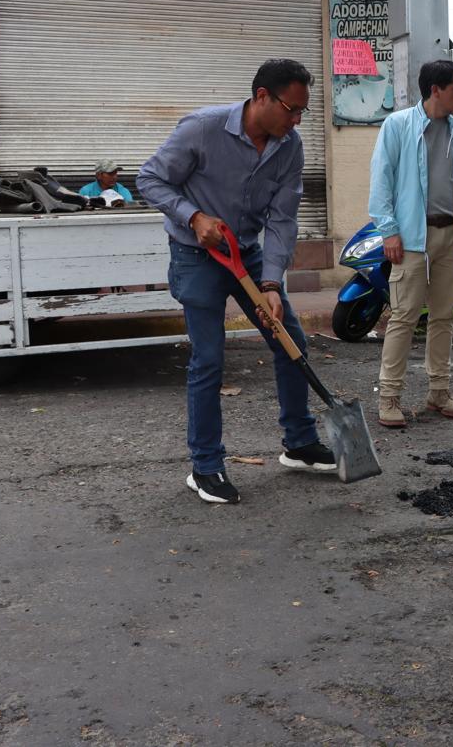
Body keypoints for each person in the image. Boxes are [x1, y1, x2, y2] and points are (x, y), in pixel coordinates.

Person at [136, 59, 334, 505]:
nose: (297, 119)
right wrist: (194, 216)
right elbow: (148, 179)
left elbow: (282, 219)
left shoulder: (289, 146)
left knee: (290, 343)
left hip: (247, 254)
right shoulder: (202, 129)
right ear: (262, 96)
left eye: (303, 111)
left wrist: (270, 284)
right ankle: (205, 467)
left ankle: (299, 444)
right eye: (291, 108)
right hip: (196, 255)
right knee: (209, 359)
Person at [370, 59, 453, 429]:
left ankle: (439, 391)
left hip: (451, 237)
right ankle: (389, 396)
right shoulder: (398, 125)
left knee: (443, 317)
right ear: (435, 89)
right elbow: (382, 180)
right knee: (404, 317)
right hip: (411, 239)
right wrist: (388, 230)